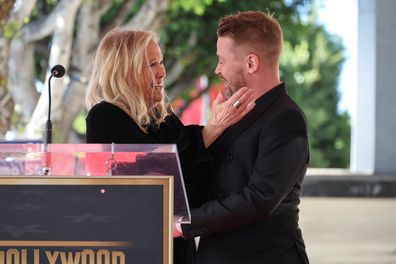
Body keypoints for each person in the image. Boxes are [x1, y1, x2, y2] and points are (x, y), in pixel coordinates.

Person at [85, 28, 255, 264]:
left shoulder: (163, 116)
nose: (162, 71)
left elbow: (191, 186)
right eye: (151, 64)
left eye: (161, 62)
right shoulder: (104, 115)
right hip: (137, 248)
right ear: (125, 70)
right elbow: (155, 176)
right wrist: (212, 129)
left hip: (177, 246)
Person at [175, 11, 310, 264]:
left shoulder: (287, 119)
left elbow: (259, 199)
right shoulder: (231, 112)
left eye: (222, 60)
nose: (217, 69)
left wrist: (182, 223)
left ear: (251, 63)